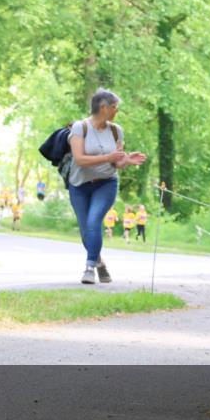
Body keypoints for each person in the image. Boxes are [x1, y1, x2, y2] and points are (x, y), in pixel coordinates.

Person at [66, 88, 146, 284]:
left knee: (94, 222)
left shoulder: (116, 130)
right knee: (86, 230)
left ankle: (89, 268)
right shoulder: (80, 128)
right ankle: (100, 263)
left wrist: (126, 160)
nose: (116, 111)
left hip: (106, 184)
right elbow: (80, 159)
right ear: (103, 107)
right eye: (114, 107)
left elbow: (116, 163)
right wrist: (108, 157)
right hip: (80, 185)